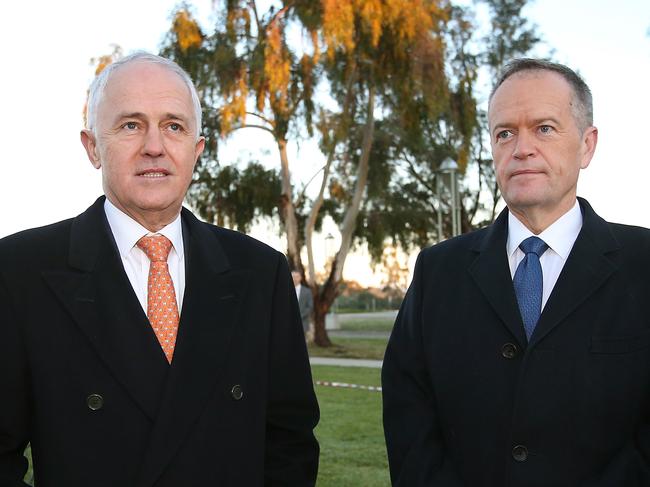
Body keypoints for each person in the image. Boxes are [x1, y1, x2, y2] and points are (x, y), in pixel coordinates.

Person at [0, 52, 319, 486]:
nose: (154, 145)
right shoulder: (19, 271)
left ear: (197, 149)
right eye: (131, 125)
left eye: (174, 126)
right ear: (92, 146)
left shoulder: (262, 273)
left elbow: (290, 442)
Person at [382, 58, 650, 486]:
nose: (521, 147)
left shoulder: (643, 264)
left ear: (587, 144)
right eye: (505, 133)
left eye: (544, 128)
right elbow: (408, 411)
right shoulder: (438, 271)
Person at [292, 270, 314, 337]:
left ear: (300, 278)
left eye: (297, 277)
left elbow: (310, 307)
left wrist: (300, 316)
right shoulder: (285, 291)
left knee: (302, 345)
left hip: (303, 323)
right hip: (289, 323)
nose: (295, 279)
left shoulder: (307, 291)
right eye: (293, 277)